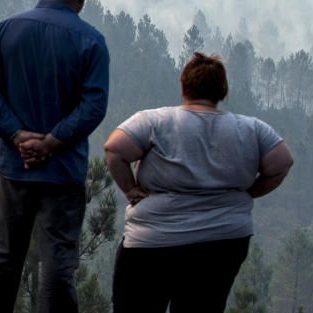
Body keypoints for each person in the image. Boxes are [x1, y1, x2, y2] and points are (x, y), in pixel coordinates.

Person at [105, 52, 294, 313]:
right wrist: (251, 192)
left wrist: (130, 189)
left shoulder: (155, 121)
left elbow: (114, 149)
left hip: (153, 242)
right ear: (223, 91)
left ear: (184, 86)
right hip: (222, 243)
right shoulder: (252, 129)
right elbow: (282, 162)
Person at [0, 0, 110, 313]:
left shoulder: (6, 30)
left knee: (1, 261)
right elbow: (93, 106)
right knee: (58, 266)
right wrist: (51, 142)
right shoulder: (91, 42)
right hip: (62, 173)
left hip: (14, 169)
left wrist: (18, 136)